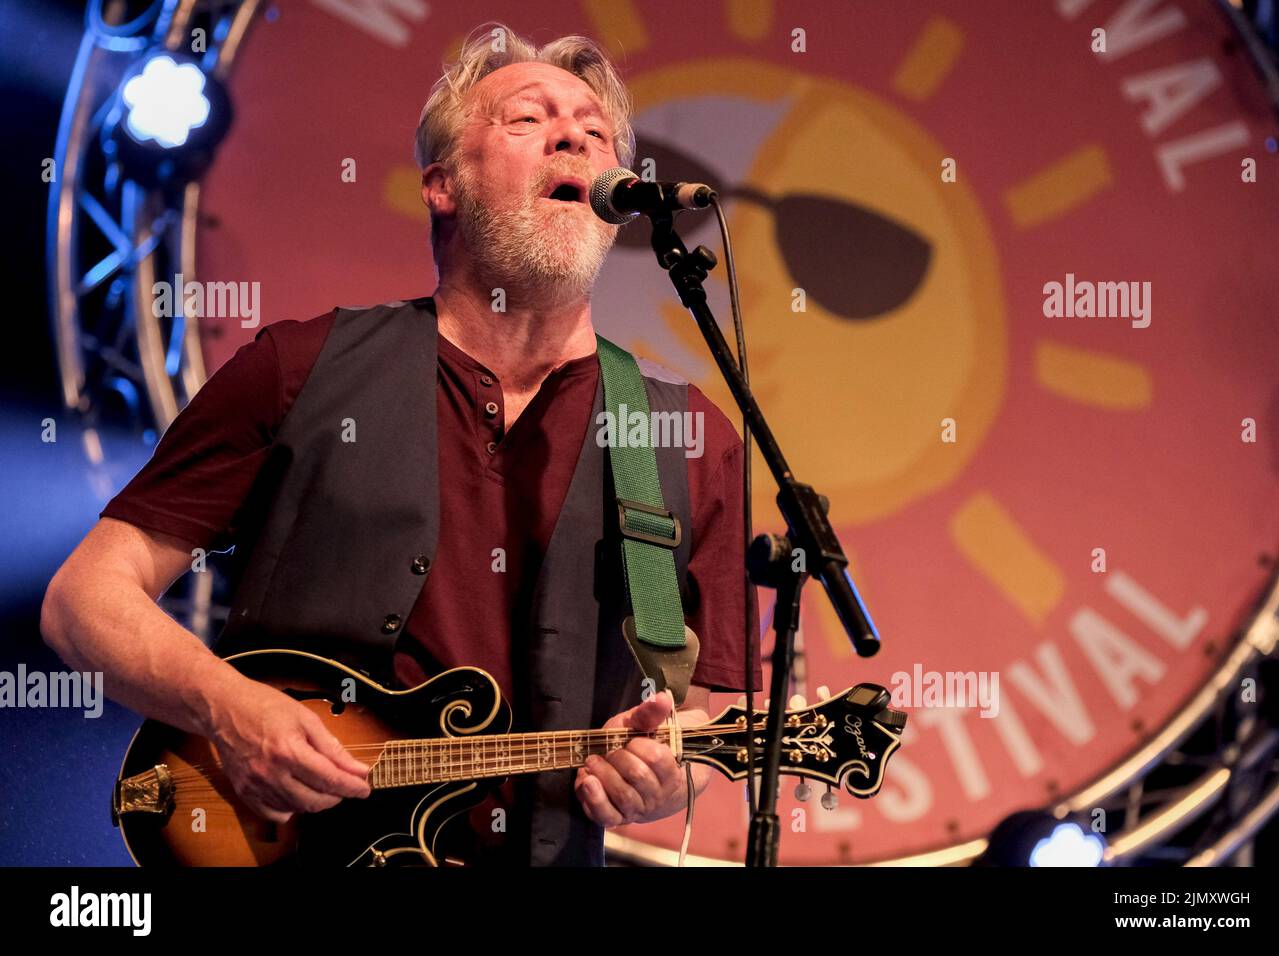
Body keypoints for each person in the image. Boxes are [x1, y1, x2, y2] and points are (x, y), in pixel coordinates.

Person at [40, 22, 759, 866]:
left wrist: (676, 770)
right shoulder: (297, 370)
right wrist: (226, 706)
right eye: (529, 120)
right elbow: (84, 600)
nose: (573, 134)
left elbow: (702, 718)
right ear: (442, 184)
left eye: (596, 133)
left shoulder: (690, 437)